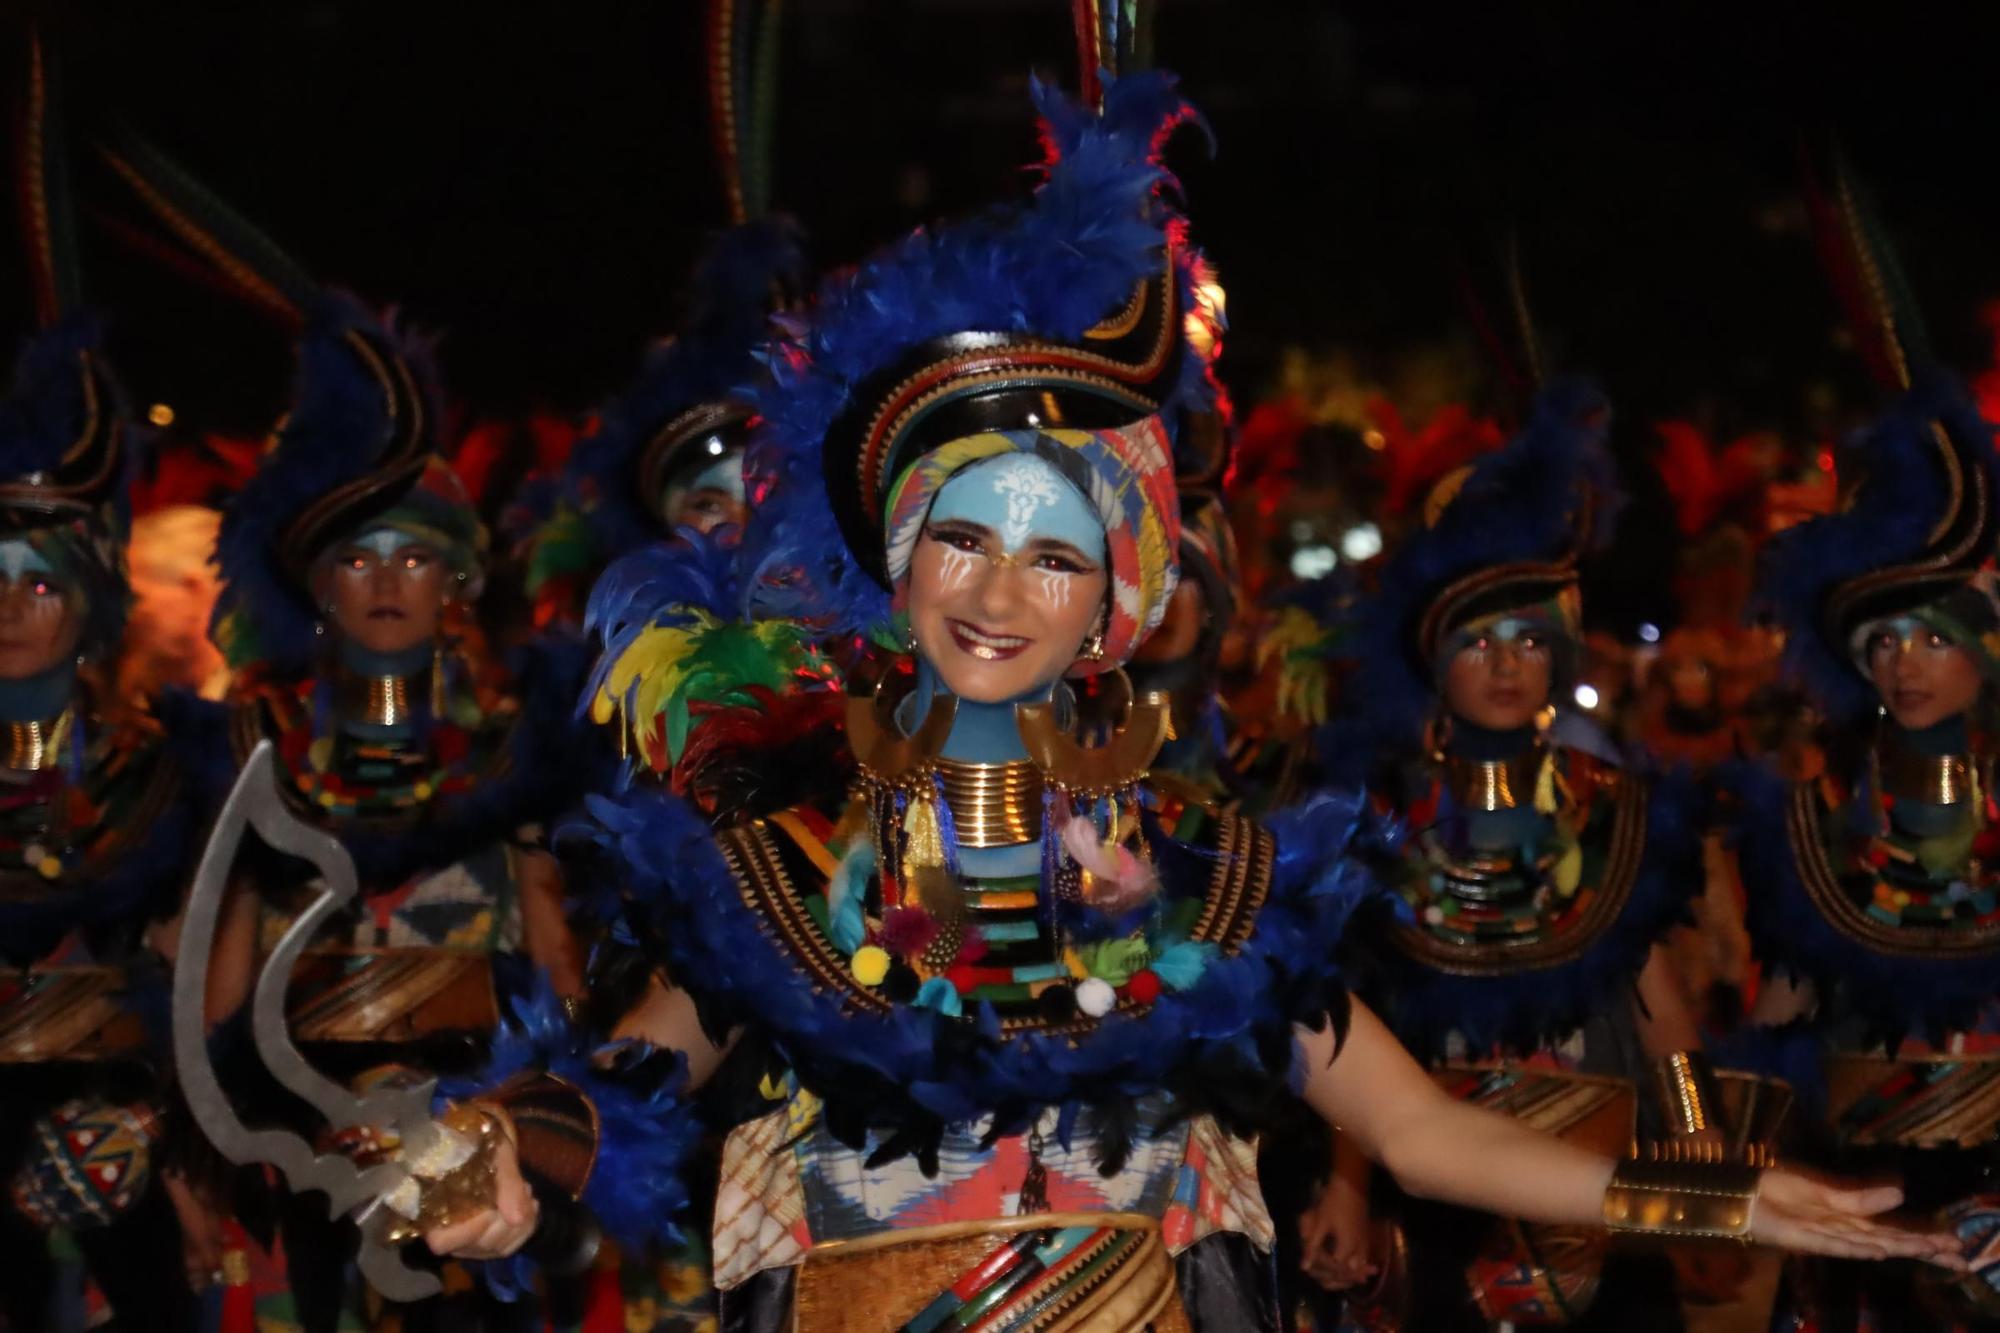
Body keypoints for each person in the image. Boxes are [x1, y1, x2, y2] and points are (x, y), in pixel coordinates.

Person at [414, 72, 1955, 1332]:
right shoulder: (776, 858)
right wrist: (507, 1149)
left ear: (1117, 598)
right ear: (897, 558)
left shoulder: (1213, 887)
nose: (999, 590)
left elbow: (1424, 1135)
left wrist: (1731, 1194)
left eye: (1055, 552)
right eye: (963, 531)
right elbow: (621, 1080)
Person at [0, 45, 225, 1326]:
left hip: (129, 1188)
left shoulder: (162, 777)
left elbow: (191, 1008)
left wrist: (168, 1156)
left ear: (87, 599)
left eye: (38, 580)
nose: (9, 608)